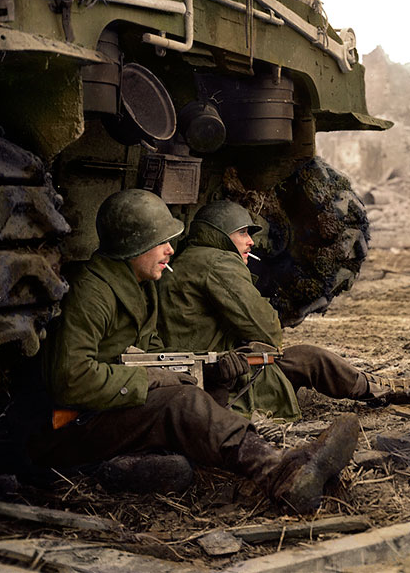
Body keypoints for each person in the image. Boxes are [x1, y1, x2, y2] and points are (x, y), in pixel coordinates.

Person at [27, 189, 358, 513]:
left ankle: (302, 475)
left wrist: (208, 374)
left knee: (185, 406)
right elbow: (70, 379)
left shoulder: (141, 288)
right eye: (162, 242)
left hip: (106, 411)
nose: (171, 250)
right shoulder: (91, 292)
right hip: (69, 427)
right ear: (134, 245)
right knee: (180, 402)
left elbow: (152, 355)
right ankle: (280, 474)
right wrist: (150, 379)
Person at [157, 199, 410, 422]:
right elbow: (268, 332)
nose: (251, 241)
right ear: (220, 235)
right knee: (312, 359)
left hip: (203, 376)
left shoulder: (190, 260)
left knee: (306, 359)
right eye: (243, 233)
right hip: (222, 383)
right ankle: (389, 390)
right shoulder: (219, 263)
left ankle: (381, 388)